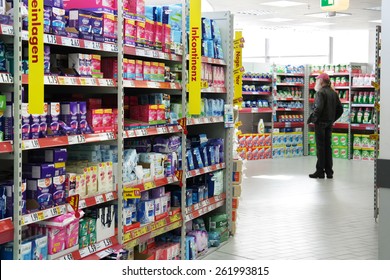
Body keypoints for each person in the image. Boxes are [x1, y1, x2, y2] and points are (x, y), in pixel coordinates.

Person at [307, 73, 343, 179]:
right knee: (328, 147)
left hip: (320, 124)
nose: (316, 82)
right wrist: (332, 119)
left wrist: (313, 120)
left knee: (320, 148)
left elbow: (318, 109)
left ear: (321, 81)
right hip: (328, 124)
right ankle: (329, 172)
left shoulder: (320, 93)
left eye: (317, 80)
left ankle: (320, 171)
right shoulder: (333, 93)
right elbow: (340, 109)